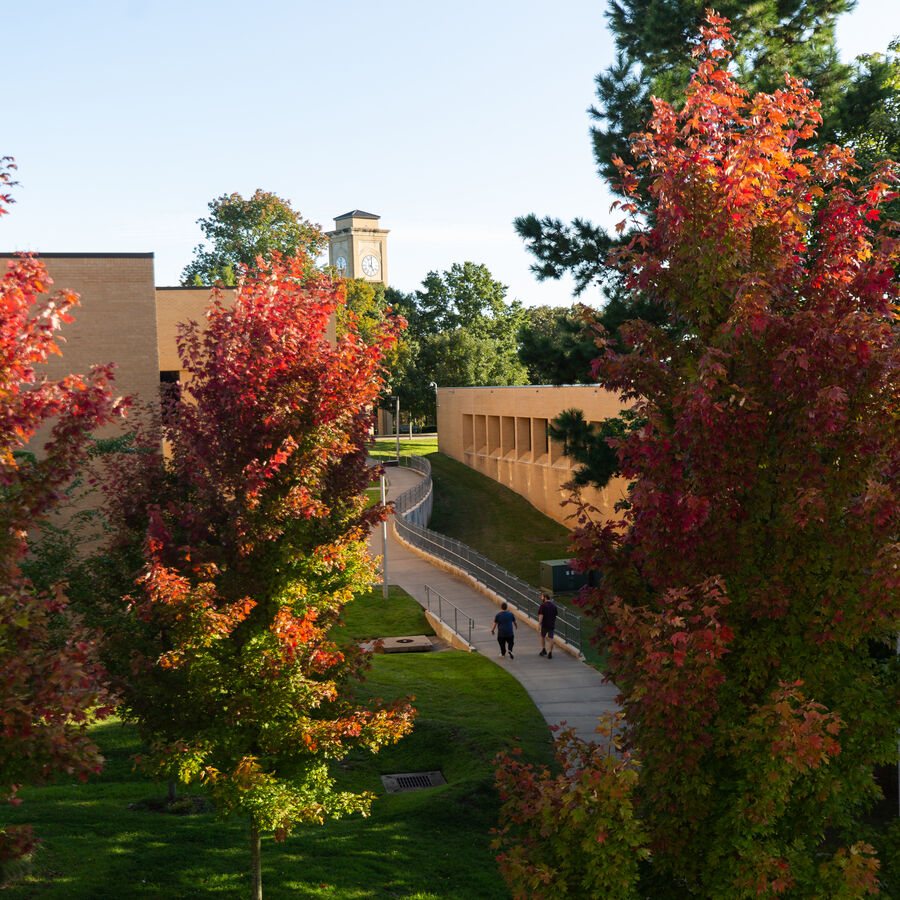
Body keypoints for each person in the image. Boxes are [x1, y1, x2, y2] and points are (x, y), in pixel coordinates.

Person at [538, 593, 558, 659]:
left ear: (545, 597)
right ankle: (550, 653)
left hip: (545, 624)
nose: (541, 598)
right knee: (551, 638)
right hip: (551, 624)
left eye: (542, 597)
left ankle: (544, 650)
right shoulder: (554, 606)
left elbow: (541, 615)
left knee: (542, 636)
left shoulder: (543, 605)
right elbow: (555, 615)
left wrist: (539, 624)